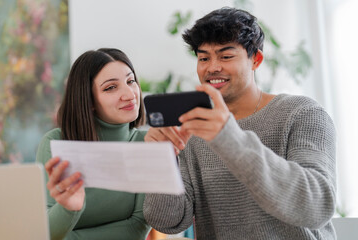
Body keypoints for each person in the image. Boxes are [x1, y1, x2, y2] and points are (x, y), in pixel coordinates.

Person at [143, 7, 336, 240]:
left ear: (256, 59)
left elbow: (316, 207)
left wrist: (229, 138)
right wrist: (162, 160)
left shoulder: (302, 113)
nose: (212, 67)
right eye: (204, 58)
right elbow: (168, 222)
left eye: (226, 56)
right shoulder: (193, 129)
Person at [36, 48, 151, 240]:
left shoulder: (147, 145)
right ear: (88, 100)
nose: (130, 94)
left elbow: (137, 227)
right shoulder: (55, 144)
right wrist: (69, 209)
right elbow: (45, 233)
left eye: (130, 81)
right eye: (110, 87)